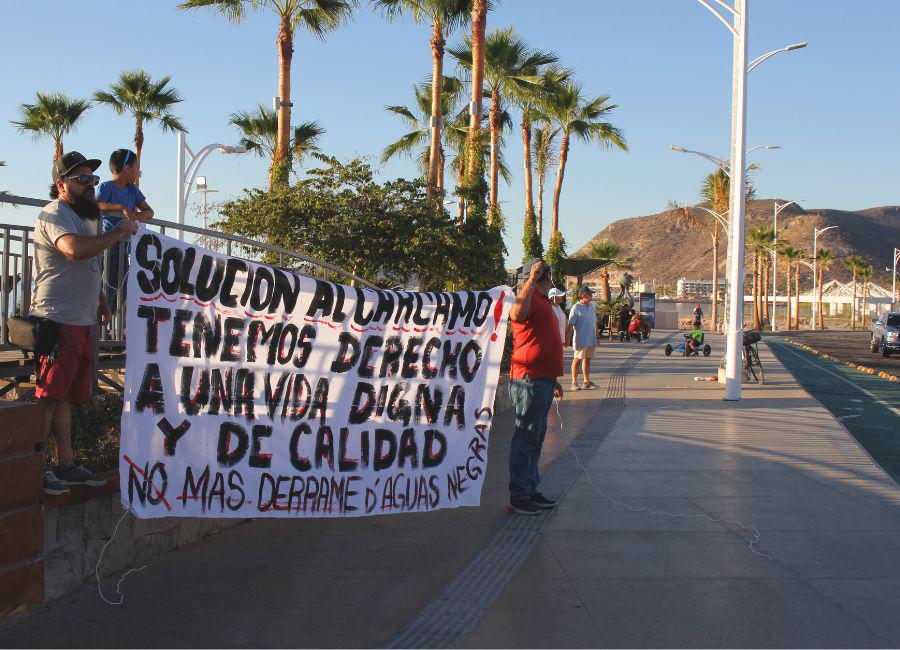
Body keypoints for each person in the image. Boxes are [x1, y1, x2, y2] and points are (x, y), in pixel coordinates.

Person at [32, 151, 139, 495]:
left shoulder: (85, 215)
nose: (90, 186)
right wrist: (118, 233)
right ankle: (37, 468)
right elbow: (74, 250)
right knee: (49, 396)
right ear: (61, 184)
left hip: (81, 320)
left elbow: (88, 263)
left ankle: (65, 462)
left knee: (66, 398)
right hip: (56, 319)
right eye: (82, 180)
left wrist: (102, 300)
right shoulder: (54, 214)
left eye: (92, 179)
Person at [507, 259, 564, 516]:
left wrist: (554, 378)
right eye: (548, 279)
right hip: (528, 379)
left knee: (536, 439)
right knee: (525, 438)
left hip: (543, 379)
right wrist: (530, 280)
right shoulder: (527, 298)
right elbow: (516, 315)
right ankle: (519, 496)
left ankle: (530, 488)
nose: (552, 283)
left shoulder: (543, 303)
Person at [96, 149, 153, 314]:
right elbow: (97, 204)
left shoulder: (132, 190)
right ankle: (100, 324)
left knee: (123, 286)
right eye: (137, 168)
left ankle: (109, 318)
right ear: (127, 168)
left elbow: (149, 211)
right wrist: (121, 208)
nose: (138, 172)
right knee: (108, 284)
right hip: (110, 244)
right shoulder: (106, 187)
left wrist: (137, 216)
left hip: (125, 246)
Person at [567, 286, 598, 390]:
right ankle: (574, 383)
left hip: (591, 339)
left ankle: (586, 382)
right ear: (584, 295)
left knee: (587, 360)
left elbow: (595, 322)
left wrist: (597, 336)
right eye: (590, 294)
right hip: (581, 339)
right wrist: (567, 339)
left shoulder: (591, 306)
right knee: (577, 359)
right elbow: (570, 324)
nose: (592, 296)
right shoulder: (576, 307)